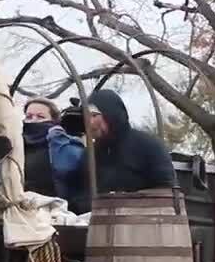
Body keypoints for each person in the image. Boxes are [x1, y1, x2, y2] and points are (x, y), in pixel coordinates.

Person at [46, 88, 175, 214]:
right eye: (86, 117)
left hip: (143, 225)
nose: (90, 123)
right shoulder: (89, 154)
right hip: (97, 226)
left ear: (112, 114)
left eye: (94, 115)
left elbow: (166, 191)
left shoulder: (148, 146)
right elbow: (79, 194)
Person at [19, 97, 60, 198]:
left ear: (53, 121)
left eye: (41, 117)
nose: (33, 120)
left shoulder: (59, 146)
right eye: (29, 117)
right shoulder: (16, 144)